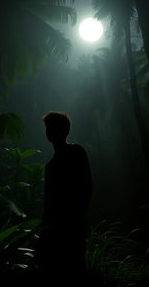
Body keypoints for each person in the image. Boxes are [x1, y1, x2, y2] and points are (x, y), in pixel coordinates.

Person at [34, 111, 92, 281]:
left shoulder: (75, 153)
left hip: (71, 225)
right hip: (58, 227)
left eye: (51, 127)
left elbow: (86, 187)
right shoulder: (51, 165)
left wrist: (76, 217)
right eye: (47, 128)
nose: (48, 131)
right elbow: (49, 202)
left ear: (63, 131)